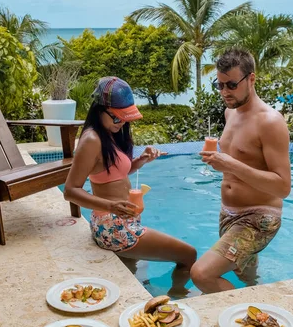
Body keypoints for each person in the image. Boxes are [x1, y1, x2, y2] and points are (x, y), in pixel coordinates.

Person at [64, 76, 197, 296]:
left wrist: (141, 160)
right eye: (117, 118)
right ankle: (177, 297)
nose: (122, 123)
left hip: (122, 218)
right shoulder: (92, 140)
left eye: (125, 118)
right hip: (114, 225)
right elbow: (70, 191)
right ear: (100, 109)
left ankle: (139, 296)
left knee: (131, 274)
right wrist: (111, 205)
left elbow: (113, 174)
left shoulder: (110, 134)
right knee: (188, 255)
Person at [190, 49, 291, 293]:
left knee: (202, 274)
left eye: (232, 85)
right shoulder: (230, 113)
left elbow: (283, 186)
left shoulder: (270, 122)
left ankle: (251, 315)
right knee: (245, 274)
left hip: (259, 217)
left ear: (251, 79)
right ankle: (255, 293)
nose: (225, 92)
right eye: (220, 85)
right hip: (228, 213)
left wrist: (230, 164)